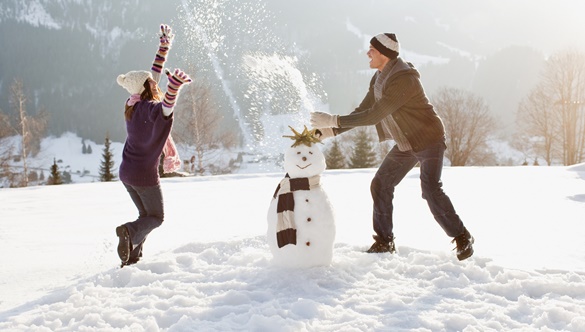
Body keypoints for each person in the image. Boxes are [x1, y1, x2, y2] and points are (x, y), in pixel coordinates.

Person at [310, 33, 474, 261]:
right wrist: (332, 131)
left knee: (430, 188)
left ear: (384, 54)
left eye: (372, 50)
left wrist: (334, 120)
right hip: (406, 143)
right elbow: (363, 111)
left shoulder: (404, 79)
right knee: (381, 184)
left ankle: (462, 236)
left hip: (429, 140)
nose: (367, 53)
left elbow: (376, 114)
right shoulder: (378, 78)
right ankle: (384, 242)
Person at [115, 24, 192, 267]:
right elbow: (166, 108)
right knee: (156, 217)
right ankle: (127, 232)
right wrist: (175, 87)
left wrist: (164, 47)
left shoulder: (133, 105)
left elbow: (154, 75)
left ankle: (132, 257)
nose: (153, 81)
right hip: (143, 176)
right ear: (148, 87)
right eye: (151, 82)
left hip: (126, 173)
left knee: (145, 217)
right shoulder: (151, 111)